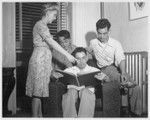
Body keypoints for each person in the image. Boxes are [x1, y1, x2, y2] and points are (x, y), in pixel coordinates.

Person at [25, 3, 76, 117]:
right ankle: (35, 117)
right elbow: (52, 43)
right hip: (39, 60)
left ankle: (40, 116)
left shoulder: (44, 26)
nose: (55, 18)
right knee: (37, 94)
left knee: (40, 93)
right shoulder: (40, 25)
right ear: (47, 13)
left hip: (44, 61)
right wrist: (68, 55)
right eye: (54, 15)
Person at [87, 18, 142, 116]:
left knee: (136, 87)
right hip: (103, 70)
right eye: (100, 33)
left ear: (109, 31)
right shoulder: (93, 42)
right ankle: (124, 92)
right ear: (97, 32)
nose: (102, 36)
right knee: (121, 79)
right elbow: (89, 53)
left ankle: (137, 114)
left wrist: (124, 73)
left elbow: (121, 58)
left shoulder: (116, 43)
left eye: (105, 33)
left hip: (114, 68)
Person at [62, 47, 109, 117]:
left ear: (87, 58)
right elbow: (59, 77)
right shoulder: (69, 70)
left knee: (85, 92)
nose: (81, 61)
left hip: (87, 91)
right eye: (78, 58)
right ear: (74, 59)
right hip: (72, 90)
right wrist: (54, 76)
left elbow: (107, 79)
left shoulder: (93, 70)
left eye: (83, 58)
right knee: (71, 92)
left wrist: (104, 78)